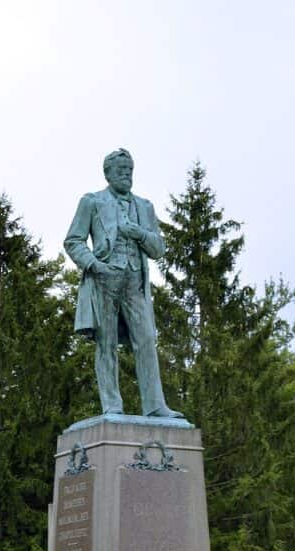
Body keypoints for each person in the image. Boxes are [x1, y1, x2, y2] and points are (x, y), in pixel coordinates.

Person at [64, 148, 183, 418]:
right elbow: (73, 241)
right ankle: (112, 406)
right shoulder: (92, 202)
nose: (126, 175)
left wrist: (139, 233)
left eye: (129, 170)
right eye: (120, 171)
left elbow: (158, 249)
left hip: (134, 281)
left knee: (146, 339)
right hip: (104, 278)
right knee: (106, 344)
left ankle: (155, 406)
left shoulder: (145, 206)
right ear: (107, 174)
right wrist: (95, 265)